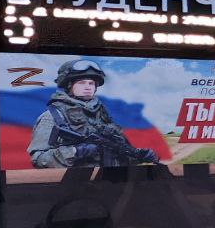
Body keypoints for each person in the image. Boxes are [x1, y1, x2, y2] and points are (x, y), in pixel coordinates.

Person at [28, 59, 159, 168]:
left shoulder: (102, 115)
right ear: (68, 85)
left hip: (112, 183)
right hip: (78, 184)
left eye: (91, 83)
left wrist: (138, 155)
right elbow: (38, 159)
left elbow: (116, 155)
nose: (87, 87)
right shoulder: (53, 116)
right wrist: (74, 152)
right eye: (81, 83)